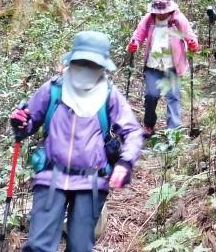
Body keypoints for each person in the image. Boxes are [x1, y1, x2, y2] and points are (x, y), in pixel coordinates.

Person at [10, 31, 142, 252]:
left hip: (91, 181)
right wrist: (21, 123)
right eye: (81, 62)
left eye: (92, 64)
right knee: (39, 246)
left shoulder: (109, 95)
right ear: (71, 61)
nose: (86, 68)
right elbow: (29, 123)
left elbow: (133, 132)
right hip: (51, 176)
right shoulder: (53, 89)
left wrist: (125, 163)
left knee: (80, 247)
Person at [126, 0, 200, 137]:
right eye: (158, 12)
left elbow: (190, 35)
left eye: (164, 11)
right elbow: (138, 35)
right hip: (153, 65)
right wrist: (134, 43)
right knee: (151, 96)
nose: (161, 14)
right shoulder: (149, 19)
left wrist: (192, 43)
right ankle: (148, 124)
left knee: (173, 97)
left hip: (173, 66)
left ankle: (173, 132)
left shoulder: (177, 19)